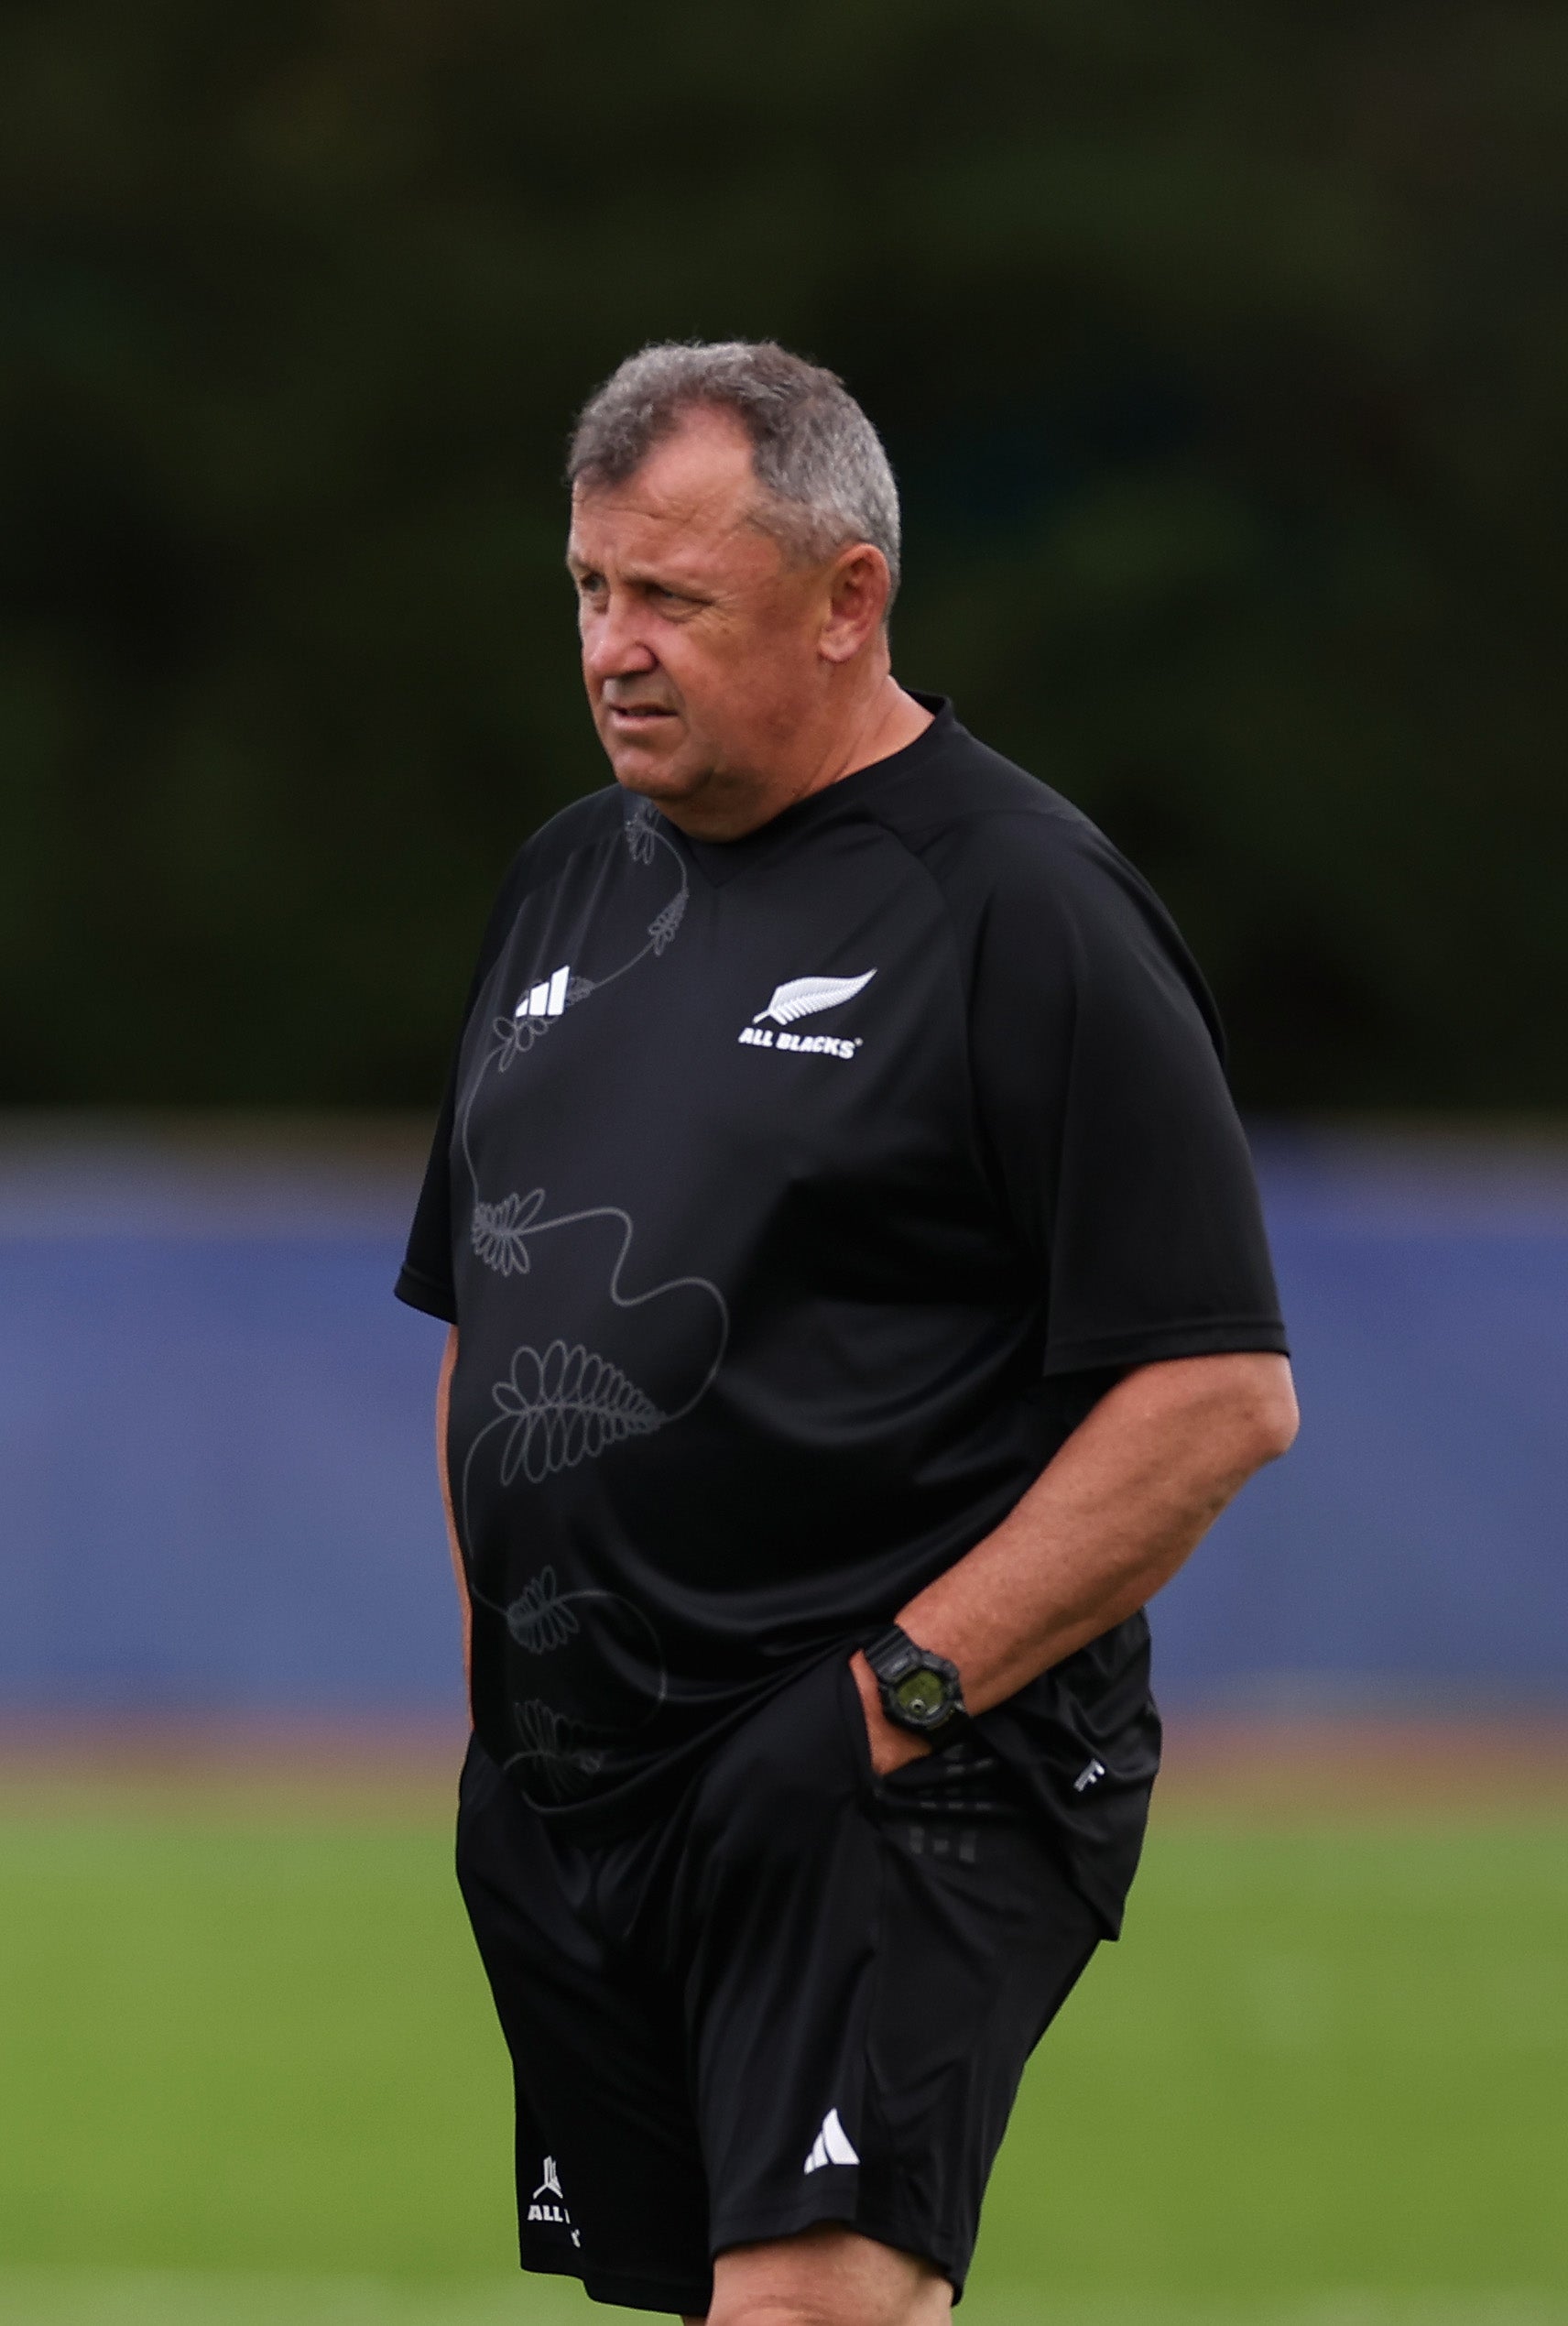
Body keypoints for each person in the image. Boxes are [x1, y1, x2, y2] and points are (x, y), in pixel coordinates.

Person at [397, 341, 1298, 2325]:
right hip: (579, 1784)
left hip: (883, 1774)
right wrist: (504, 1689)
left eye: (671, 601)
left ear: (843, 601)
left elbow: (1216, 1391)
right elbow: (488, 1310)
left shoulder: (1017, 907)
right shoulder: (562, 884)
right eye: (587, 590)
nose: (612, 649)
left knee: (811, 2301)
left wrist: (889, 1698)